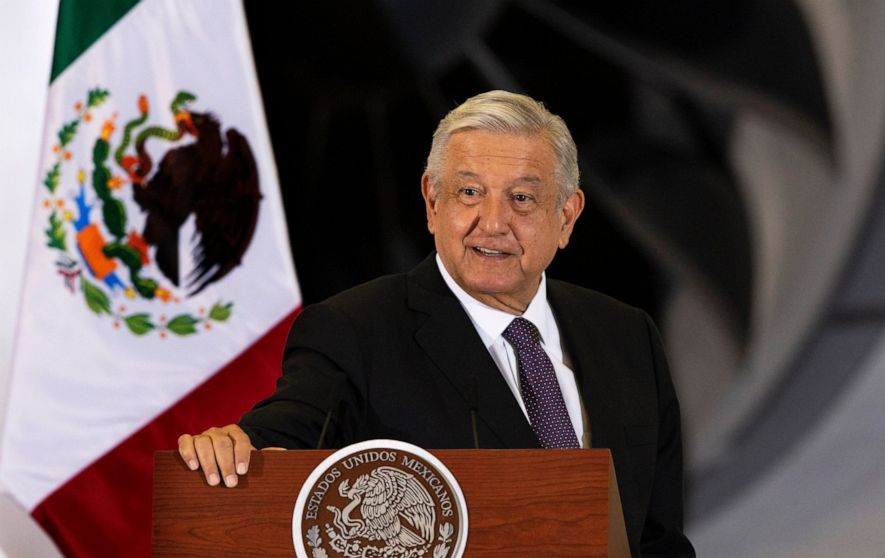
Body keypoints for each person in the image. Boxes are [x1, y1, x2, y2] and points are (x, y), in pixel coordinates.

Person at [178, 90, 695, 556]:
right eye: (469, 193)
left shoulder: (628, 337)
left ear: (566, 216)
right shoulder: (355, 330)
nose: (492, 223)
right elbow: (283, 439)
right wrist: (234, 447)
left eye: (521, 198)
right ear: (431, 202)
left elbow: (658, 538)